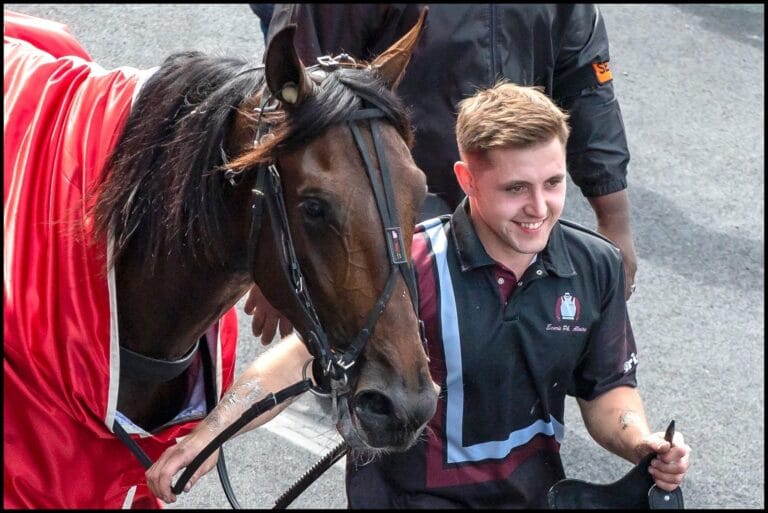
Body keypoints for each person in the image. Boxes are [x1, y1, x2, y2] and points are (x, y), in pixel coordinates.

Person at [146, 82, 690, 508]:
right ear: (467, 180)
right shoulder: (413, 262)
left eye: (552, 183)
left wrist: (640, 442)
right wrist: (205, 439)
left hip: (531, 498)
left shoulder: (593, 267)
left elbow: (607, 391)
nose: (539, 207)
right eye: (514, 188)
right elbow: (291, 366)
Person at [263, 4, 638, 301]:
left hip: (515, 227)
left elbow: (586, 83)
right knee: (392, 384)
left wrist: (615, 221)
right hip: (397, 230)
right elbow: (300, 97)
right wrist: (280, 261)